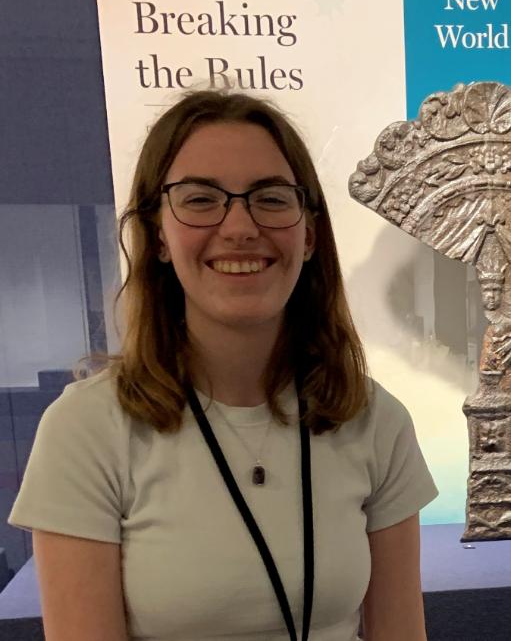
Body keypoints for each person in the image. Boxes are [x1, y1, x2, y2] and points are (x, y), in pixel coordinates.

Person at [9, 90, 438, 640]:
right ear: (159, 233)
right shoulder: (87, 430)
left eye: (271, 198)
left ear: (309, 234)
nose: (239, 226)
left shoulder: (374, 419)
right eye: (201, 199)